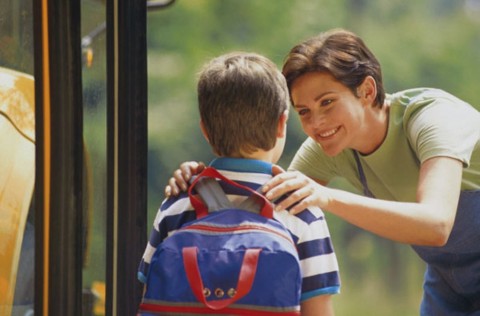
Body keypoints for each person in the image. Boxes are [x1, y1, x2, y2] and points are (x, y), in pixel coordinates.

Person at [165, 29, 480, 315]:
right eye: (304, 112)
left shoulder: (434, 119)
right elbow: (265, 210)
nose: (315, 124)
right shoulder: (327, 144)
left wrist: (327, 197)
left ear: (367, 91)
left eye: (327, 102)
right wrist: (202, 182)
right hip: (445, 276)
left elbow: (436, 225)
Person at [139, 51, 341, 315]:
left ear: (205, 130)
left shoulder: (177, 204)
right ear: (282, 124)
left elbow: (150, 297)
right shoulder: (302, 211)